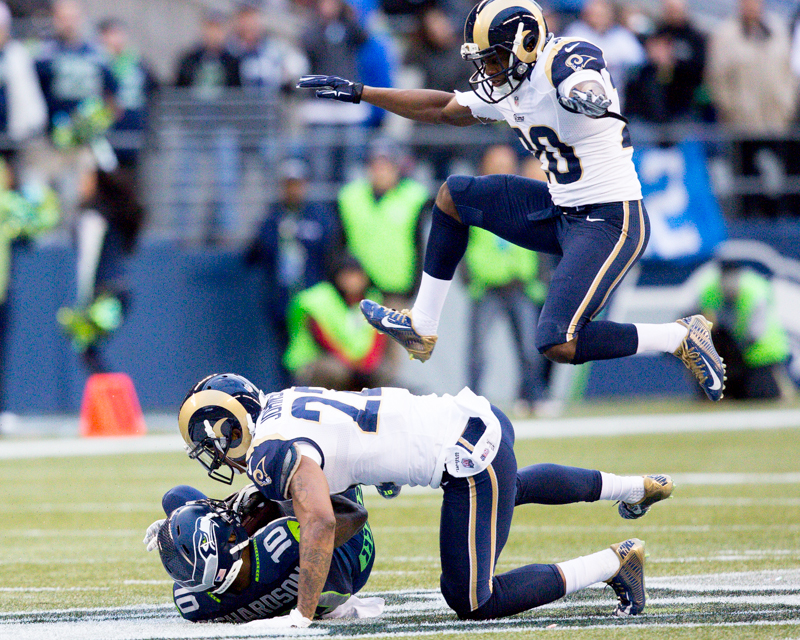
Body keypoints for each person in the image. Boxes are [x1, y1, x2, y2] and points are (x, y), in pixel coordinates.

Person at [297, 0, 727, 402]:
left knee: (558, 341)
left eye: (493, 57)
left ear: (525, 44)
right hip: (561, 208)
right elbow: (444, 107)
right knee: (453, 196)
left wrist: (586, 95)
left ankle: (679, 338)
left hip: (611, 218)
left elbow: (586, 74)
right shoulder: (511, 82)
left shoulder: (563, 59)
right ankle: (422, 325)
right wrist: (363, 92)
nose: (487, 68)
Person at [177, 372, 675, 627]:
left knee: (472, 598)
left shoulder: (268, 451)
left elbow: (325, 523)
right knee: (510, 490)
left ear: (228, 425)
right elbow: (349, 507)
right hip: (469, 418)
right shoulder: (283, 402)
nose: (216, 458)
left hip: (468, 458)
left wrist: (303, 614)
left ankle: (615, 564)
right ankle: (634, 487)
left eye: (212, 445)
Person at [144, 483, 381, 622]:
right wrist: (277, 493)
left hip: (268, 578)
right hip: (348, 557)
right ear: (233, 537)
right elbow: (354, 514)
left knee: (175, 500)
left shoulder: (193, 604)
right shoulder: (281, 543)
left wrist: (176, 537)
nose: (226, 513)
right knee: (285, 477)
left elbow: (179, 501)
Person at [464, 145, 548, 413]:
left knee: (528, 348)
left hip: (519, 284)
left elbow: (542, 240)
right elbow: (460, 242)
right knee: (477, 351)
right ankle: (472, 402)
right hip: (486, 285)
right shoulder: (472, 198)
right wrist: (468, 276)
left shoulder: (528, 197)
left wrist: (538, 276)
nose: (501, 169)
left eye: (506, 163)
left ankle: (531, 398)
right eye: (495, 163)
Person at [245, 158, 337, 384]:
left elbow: (332, 252)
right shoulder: (273, 216)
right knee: (285, 355)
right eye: (289, 184)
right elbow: (252, 256)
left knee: (316, 355)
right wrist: (277, 236)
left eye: (298, 184)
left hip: (312, 301)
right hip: (282, 299)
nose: (293, 189)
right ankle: (286, 400)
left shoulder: (319, 216)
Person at [336, 139, 429, 308]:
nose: (381, 173)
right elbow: (339, 242)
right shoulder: (350, 197)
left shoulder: (414, 197)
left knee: (395, 332)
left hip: (397, 289)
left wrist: (416, 287)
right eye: (376, 166)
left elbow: (419, 245)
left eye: (385, 166)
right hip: (358, 289)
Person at [283, 253, 389, 390]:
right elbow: (323, 340)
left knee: (382, 370)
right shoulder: (320, 298)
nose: (352, 281)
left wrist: (367, 365)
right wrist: (354, 366)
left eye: (356, 275)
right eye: (347, 276)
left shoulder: (373, 299)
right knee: (336, 371)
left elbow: (377, 339)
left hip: (356, 363)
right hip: (313, 361)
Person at [696, 260, 793, 401]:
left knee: (760, 395)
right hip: (727, 354)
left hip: (758, 354)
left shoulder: (755, 292)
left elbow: (756, 333)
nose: (728, 286)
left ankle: (780, 387)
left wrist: (733, 351)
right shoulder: (708, 291)